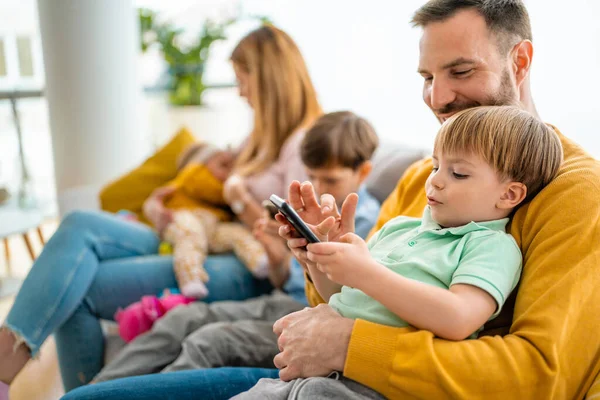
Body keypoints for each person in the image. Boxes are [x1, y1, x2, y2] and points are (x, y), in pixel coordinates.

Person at [57, 1, 600, 399]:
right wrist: (321, 258)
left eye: (460, 71)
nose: (438, 98)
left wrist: (350, 346)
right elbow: (359, 301)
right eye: (427, 77)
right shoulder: (419, 178)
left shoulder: (578, 193)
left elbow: (538, 377)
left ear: (521, 61)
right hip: (322, 370)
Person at [0, 24, 322, 392]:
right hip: (201, 232)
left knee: (82, 287)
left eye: (243, 79)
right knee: (78, 225)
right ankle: (5, 367)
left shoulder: (306, 145)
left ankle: (92, 395)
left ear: (269, 80)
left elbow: (293, 243)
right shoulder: (257, 138)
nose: (240, 91)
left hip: (249, 261)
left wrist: (239, 200)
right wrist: (159, 205)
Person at [236, 105, 563, 398]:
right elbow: (340, 294)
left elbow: (459, 318)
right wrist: (318, 258)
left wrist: (365, 272)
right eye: (436, 166)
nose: (434, 182)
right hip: (311, 373)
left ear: (509, 194)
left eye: (458, 173)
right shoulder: (399, 228)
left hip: (372, 386)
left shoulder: (491, 246)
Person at [88, 111, 381, 383]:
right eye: (312, 177)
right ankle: (93, 392)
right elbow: (284, 280)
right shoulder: (313, 210)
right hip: (281, 299)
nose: (318, 186)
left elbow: (345, 299)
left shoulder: (369, 221)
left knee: (209, 340)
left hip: (311, 316)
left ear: (363, 172)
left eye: (330, 179)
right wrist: (277, 254)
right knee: (182, 318)